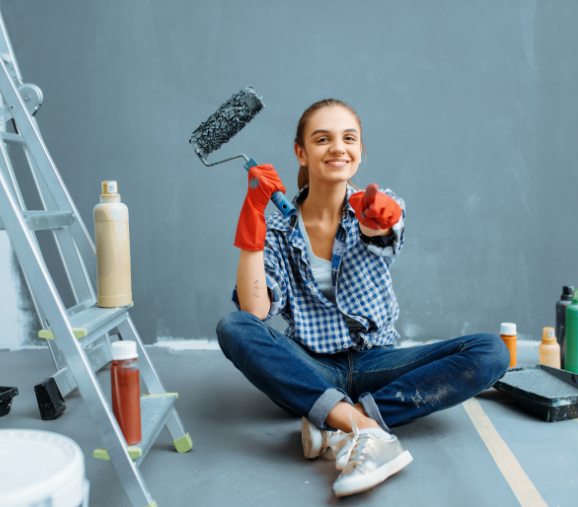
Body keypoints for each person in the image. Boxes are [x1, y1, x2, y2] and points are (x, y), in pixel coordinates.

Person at [216, 98, 510, 497]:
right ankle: (368, 431)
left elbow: (383, 231)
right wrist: (252, 216)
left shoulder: (372, 207)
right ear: (301, 152)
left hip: (378, 362)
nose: (338, 147)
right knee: (233, 326)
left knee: (491, 352)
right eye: (323, 139)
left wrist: (381, 218)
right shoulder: (277, 230)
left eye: (348, 138)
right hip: (311, 368)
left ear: (360, 151)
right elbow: (255, 311)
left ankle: (334, 421)